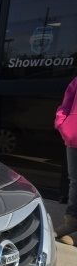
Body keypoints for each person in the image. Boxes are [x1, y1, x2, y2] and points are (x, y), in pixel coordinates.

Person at [55, 75, 77, 244]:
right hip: (73, 139)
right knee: (74, 182)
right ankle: (71, 223)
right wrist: (63, 124)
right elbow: (65, 105)